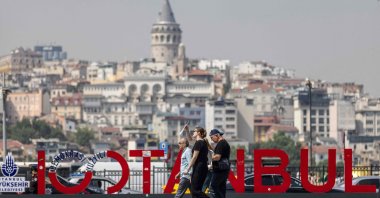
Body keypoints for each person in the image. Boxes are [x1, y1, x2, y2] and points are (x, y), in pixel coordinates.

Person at [184, 127, 210, 198]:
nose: (193, 132)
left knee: (195, 190)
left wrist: (188, 168)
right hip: (202, 167)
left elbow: (194, 157)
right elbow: (190, 140)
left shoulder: (199, 143)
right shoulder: (202, 142)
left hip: (199, 168)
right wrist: (187, 130)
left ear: (198, 133)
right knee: (195, 191)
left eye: (194, 131)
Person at [210, 129, 230, 198]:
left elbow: (217, 157)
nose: (211, 139)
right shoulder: (224, 143)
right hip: (223, 170)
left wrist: (211, 156)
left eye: (212, 137)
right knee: (221, 188)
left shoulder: (221, 144)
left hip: (219, 170)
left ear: (217, 135)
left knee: (213, 186)